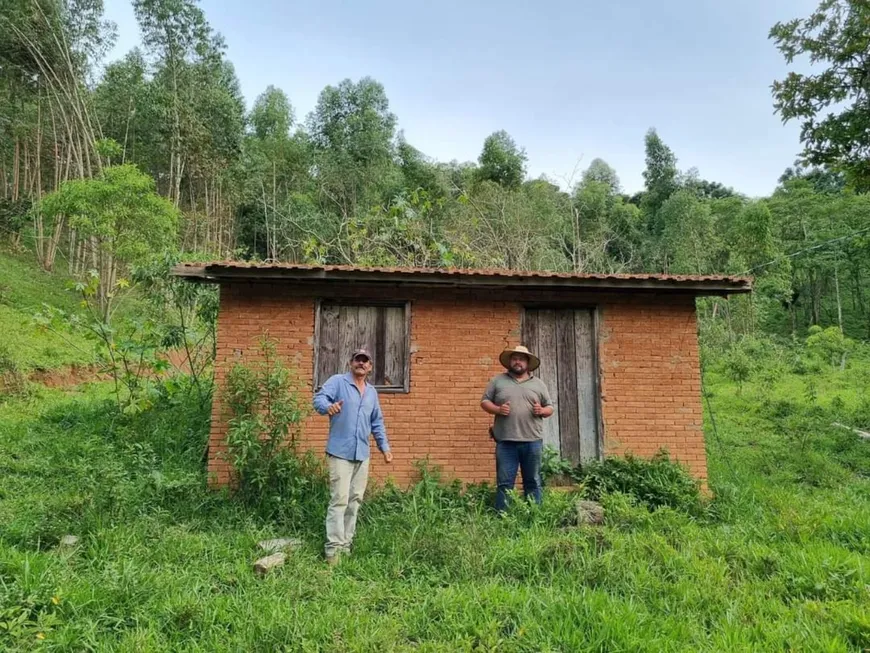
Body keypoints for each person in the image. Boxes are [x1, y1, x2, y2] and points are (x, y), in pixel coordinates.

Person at [313, 348, 392, 565]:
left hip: (362, 454)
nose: (361, 364)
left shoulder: (372, 392)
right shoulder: (338, 382)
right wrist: (328, 407)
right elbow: (319, 399)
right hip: (340, 453)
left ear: (370, 366)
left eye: (365, 361)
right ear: (351, 363)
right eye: (358, 360)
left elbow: (377, 422)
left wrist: (384, 448)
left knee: (355, 501)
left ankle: (346, 545)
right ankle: (333, 551)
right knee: (339, 499)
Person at [480, 345, 554, 511]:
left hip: (532, 441)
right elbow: (484, 402)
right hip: (506, 442)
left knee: (533, 481)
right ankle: (502, 518)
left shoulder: (539, 384)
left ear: (527, 362)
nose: (517, 362)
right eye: (514, 358)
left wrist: (541, 411)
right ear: (510, 362)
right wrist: (498, 409)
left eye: (521, 359)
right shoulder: (497, 381)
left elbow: (550, 407)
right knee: (505, 483)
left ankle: (534, 516)